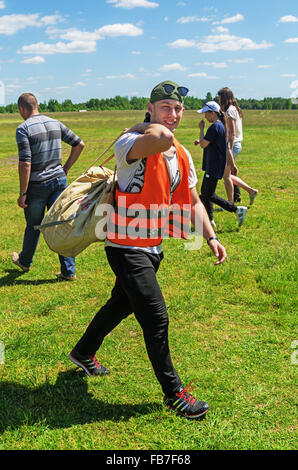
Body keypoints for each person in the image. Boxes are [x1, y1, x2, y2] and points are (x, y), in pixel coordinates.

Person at [68, 80, 227, 420]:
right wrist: (144, 126)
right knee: (156, 317)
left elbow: (193, 200)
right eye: (167, 108)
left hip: (152, 246)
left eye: (179, 109)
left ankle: (83, 352)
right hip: (125, 246)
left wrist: (211, 237)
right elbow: (161, 138)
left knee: (119, 304)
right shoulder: (130, 141)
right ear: (151, 108)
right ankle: (175, 394)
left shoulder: (181, 154)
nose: (175, 115)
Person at [12, 93, 85, 280]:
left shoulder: (23, 129)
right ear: (37, 105)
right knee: (60, 224)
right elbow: (79, 144)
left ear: (22, 109)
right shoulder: (55, 122)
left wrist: (23, 192)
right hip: (59, 181)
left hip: (37, 185)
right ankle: (69, 272)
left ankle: (25, 261)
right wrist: (66, 168)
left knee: (34, 225)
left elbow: (25, 163)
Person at [194, 101, 248, 228]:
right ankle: (210, 220)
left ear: (212, 113)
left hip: (213, 165)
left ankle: (236, 210)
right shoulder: (219, 126)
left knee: (209, 194)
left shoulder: (214, 127)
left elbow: (203, 144)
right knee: (204, 192)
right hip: (214, 165)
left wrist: (201, 129)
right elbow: (210, 143)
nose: (205, 117)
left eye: (206, 113)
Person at [217, 87, 258, 205]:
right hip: (235, 145)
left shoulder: (230, 111)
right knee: (228, 174)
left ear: (224, 98)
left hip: (232, 145)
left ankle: (231, 202)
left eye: (220, 97)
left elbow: (232, 133)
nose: (219, 100)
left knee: (225, 176)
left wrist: (228, 148)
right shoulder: (234, 109)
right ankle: (242, 195)